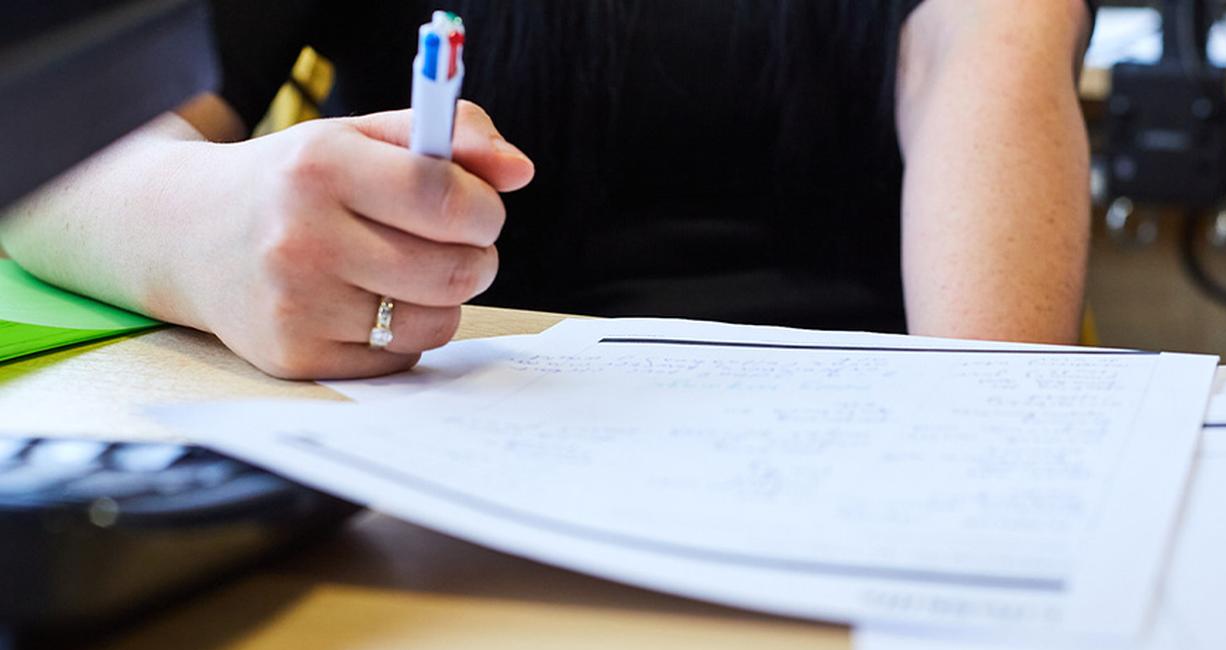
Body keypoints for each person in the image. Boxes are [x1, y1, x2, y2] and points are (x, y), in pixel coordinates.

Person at [0, 1, 1095, 379]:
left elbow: (990, 391)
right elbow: (42, 153)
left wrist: (988, 438)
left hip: (862, 456)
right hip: (416, 432)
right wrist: (202, 223)